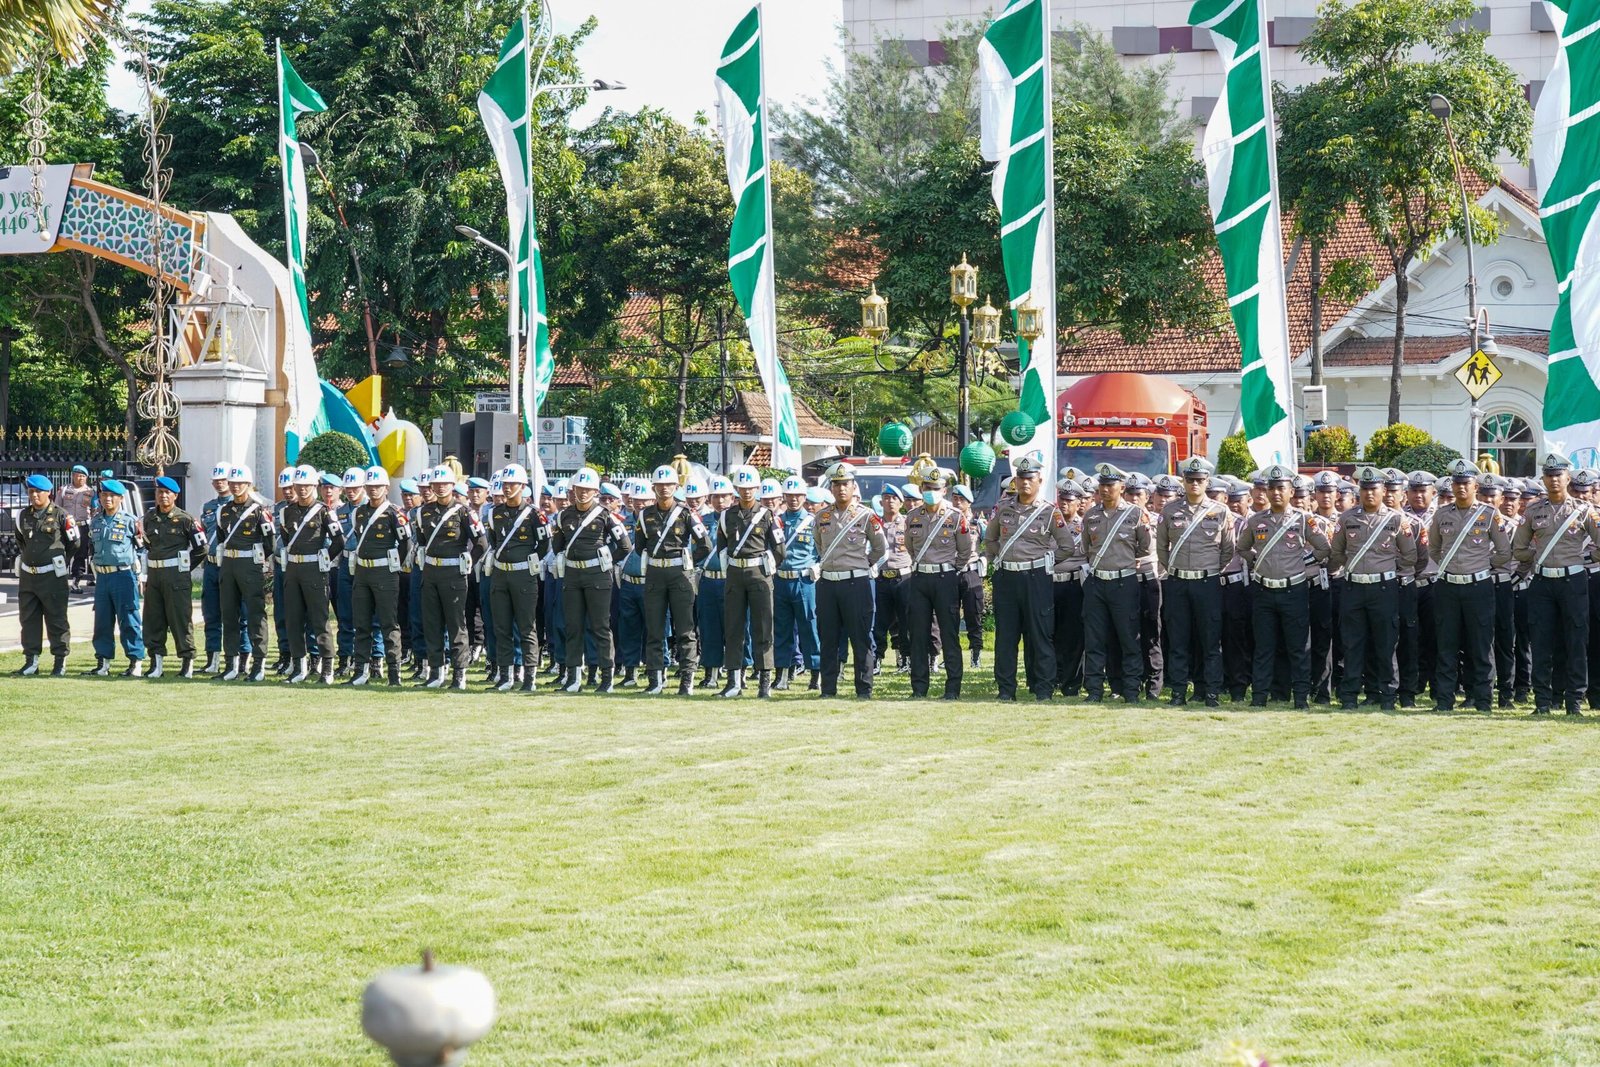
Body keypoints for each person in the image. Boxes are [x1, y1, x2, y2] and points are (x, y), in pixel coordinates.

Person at [1511, 453, 1600, 715]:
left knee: (1575, 641)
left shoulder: (1584, 511)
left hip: (1573, 581)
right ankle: (1543, 702)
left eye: (1558, 475)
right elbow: (1519, 547)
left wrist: (1586, 558)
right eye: (1549, 475)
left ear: (1567, 478)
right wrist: (1536, 557)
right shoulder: (1533, 511)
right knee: (1542, 642)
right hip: (1542, 583)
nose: (1553, 480)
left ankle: (1574, 702)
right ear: (1543, 479)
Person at [1241, 464, 1331, 708]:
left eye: (1281, 488)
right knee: (1264, 647)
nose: (1276, 493)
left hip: (1294, 590)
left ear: (1292, 491)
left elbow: (1324, 549)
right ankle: (1260, 697)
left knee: (1299, 647)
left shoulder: (1304, 520)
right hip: (1264, 591)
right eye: (1272, 488)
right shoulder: (1255, 521)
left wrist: (1302, 561)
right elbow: (1242, 548)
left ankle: (1301, 698)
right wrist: (1254, 560)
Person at [985, 456, 1074, 702]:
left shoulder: (1049, 511)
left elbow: (1067, 546)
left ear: (1039, 481)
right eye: (1021, 478)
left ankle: (1043, 689)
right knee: (1006, 636)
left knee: (1040, 635)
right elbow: (990, 539)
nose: (1025, 483)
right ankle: (1005, 689)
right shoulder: (1002, 508)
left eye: (1030, 479)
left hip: (1036, 577)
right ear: (1015, 480)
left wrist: (1046, 562)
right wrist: (995, 559)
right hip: (1007, 577)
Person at [1329, 465, 1416, 711]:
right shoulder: (1347, 518)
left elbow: (1409, 555)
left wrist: (1385, 567)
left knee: (1386, 643)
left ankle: (1388, 695)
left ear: (1383, 490)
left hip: (1384, 588)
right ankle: (1349, 696)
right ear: (1359, 490)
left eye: (1374, 489)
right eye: (1365, 489)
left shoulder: (1396, 518)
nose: (1369, 494)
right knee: (1352, 644)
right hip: (1354, 587)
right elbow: (1337, 552)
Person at [1428, 459, 1513, 712]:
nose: (1461, 488)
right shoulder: (1442, 514)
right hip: (1448, 586)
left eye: (1466, 483)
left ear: (1475, 485)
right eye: (1457, 483)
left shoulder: (1488, 514)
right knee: (1447, 646)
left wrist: (1482, 565)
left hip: (1479, 587)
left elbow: (1504, 551)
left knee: (1481, 646)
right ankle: (1444, 701)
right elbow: (1433, 548)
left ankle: (1483, 700)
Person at [1155, 456, 1235, 707]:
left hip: (1207, 583)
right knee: (1178, 640)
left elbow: (1228, 549)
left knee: (1210, 641)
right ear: (1184, 481)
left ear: (1207, 481)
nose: (1195, 485)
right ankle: (1178, 692)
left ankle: (1210, 691)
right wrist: (1176, 570)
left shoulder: (1221, 512)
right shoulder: (1170, 511)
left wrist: (1209, 570)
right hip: (1178, 582)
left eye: (1200, 480)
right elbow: (1161, 548)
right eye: (1190, 480)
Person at [553, 467, 632, 693]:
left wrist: (606, 561)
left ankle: (606, 677)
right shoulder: (563, 515)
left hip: (597, 576)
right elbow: (557, 546)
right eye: (580, 488)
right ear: (574, 489)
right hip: (572, 575)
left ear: (595, 491)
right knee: (573, 627)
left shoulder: (606, 515)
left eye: (588, 489)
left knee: (600, 627)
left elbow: (625, 546)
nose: (583, 493)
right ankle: (573, 677)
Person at [812, 463, 887, 698]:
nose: (841, 488)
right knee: (828, 637)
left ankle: (864, 688)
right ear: (831, 488)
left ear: (853, 487)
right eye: (836, 484)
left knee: (861, 637)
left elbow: (880, 548)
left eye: (845, 484)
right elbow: (819, 546)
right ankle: (828, 689)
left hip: (856, 582)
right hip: (828, 583)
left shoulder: (866, 516)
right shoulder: (821, 516)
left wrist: (862, 565)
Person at [638, 464, 713, 694]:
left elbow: (705, 544)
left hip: (680, 575)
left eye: (669, 484)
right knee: (654, 629)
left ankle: (686, 680)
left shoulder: (686, 514)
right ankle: (655, 680)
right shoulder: (645, 515)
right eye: (660, 485)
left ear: (676, 486)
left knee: (685, 629)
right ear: (653, 487)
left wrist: (689, 561)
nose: (664, 489)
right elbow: (640, 546)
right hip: (655, 574)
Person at [1080, 464, 1151, 703]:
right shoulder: (1091, 515)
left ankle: (1131, 690)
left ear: (1121, 487)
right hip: (1097, 582)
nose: (1106, 489)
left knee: (1129, 638)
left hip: (1124, 582)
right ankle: (1094, 691)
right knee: (1095, 639)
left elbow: (1144, 546)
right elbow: (1087, 547)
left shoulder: (1135, 514)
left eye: (1110, 485)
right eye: (1102, 485)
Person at [414, 466, 488, 690]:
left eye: (444, 484)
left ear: (452, 485)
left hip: (454, 573)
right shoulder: (423, 512)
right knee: (432, 623)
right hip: (431, 572)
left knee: (456, 625)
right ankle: (436, 672)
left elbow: (481, 544)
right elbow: (422, 542)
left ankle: (459, 674)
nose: (439, 487)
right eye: (436, 484)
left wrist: (467, 563)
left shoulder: (464, 511)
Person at [903, 468, 972, 700]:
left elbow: (965, 551)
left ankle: (952, 688)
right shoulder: (913, 516)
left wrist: (951, 570)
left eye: (935, 489)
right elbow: (911, 548)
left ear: (944, 491)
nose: (931, 492)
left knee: (949, 634)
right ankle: (919, 688)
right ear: (922, 489)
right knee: (918, 634)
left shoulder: (955, 517)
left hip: (945, 578)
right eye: (927, 489)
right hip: (921, 577)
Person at [718, 465, 785, 698]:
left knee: (763, 627)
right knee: (733, 628)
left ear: (757, 488)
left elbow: (779, 549)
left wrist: (766, 568)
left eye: (751, 488)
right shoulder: (727, 515)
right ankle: (733, 682)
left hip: (759, 574)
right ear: (736, 489)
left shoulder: (767, 516)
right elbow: (722, 546)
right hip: (735, 574)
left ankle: (764, 682)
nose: (746, 492)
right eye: (742, 488)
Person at [277, 465, 346, 684]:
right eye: (300, 485)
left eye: (307, 485)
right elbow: (286, 538)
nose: (303, 489)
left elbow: (339, 540)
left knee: (319, 619)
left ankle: (327, 668)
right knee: (294, 619)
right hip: (293, 569)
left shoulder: (324, 511)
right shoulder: (286, 511)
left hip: (315, 570)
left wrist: (324, 558)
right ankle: (299, 667)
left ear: (314, 486)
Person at [483, 463, 548, 693]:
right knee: (501, 626)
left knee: (526, 626)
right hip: (501, 573)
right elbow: (493, 540)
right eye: (505, 484)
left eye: (513, 484)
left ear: (523, 486)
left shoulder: (534, 514)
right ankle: (505, 675)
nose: (508, 488)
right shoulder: (494, 512)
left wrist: (529, 561)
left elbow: (544, 543)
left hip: (523, 575)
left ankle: (529, 675)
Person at [347, 466, 411, 687]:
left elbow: (405, 543)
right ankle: (361, 671)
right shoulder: (359, 512)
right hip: (363, 571)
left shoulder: (395, 513)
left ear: (386, 487)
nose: (373, 490)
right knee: (361, 623)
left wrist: (394, 565)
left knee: (388, 623)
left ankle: (394, 673)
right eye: (370, 486)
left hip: (385, 572)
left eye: (377, 486)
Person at [141, 476, 207, 679]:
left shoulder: (186, 519)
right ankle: (156, 663)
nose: (162, 496)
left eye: (167, 492)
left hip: (176, 578)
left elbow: (201, 548)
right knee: (153, 620)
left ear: (175, 495)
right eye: (159, 492)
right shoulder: (149, 517)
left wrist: (184, 568)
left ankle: (187, 662)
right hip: (154, 576)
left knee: (180, 620)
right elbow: (147, 545)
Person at [13, 473, 78, 677]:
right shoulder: (23, 515)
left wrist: (58, 560)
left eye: (38, 492)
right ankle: (31, 661)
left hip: (52, 577)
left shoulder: (61, 515)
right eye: (31, 492)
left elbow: (74, 543)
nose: (34, 496)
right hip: (29, 578)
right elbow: (21, 541)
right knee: (28, 619)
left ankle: (60, 662)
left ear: (48, 492)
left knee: (56, 619)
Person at [213, 465, 274, 681]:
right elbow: (221, 537)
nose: (236, 486)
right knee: (228, 614)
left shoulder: (259, 510)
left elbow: (270, 543)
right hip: (229, 563)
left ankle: (258, 664)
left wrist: (257, 561)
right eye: (232, 483)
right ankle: (231, 663)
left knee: (255, 614)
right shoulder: (224, 510)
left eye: (240, 483)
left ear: (248, 485)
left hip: (250, 564)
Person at [86, 478, 146, 677]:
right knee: (102, 621)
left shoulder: (130, 521)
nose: (108, 499)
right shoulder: (95, 521)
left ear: (121, 498)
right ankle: (103, 663)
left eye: (112, 496)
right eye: (104, 495)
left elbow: (142, 547)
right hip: (103, 577)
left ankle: (135, 662)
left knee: (129, 619)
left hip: (123, 575)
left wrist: (139, 574)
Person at [773, 476, 821, 691]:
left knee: (809, 627)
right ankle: (782, 674)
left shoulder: (814, 521)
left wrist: (818, 566)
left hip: (804, 580)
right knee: (782, 629)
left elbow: (824, 549)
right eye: (790, 495)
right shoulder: (776, 520)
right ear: (784, 496)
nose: (793, 499)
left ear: (804, 496)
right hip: (781, 579)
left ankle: (816, 674)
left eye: (798, 495)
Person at [198, 462, 246, 674]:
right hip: (211, 565)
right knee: (211, 613)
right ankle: (213, 658)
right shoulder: (208, 507)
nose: (219, 484)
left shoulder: (242, 506)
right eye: (216, 481)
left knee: (239, 614)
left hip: (232, 563)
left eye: (223, 480)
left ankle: (242, 659)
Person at [1052, 472, 1089, 698]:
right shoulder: (1048, 523)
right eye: (1062, 500)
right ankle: (1052, 678)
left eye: (1070, 501)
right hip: (1050, 583)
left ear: (1079, 503)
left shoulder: (1085, 527)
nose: (1065, 505)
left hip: (1075, 585)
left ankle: (1071, 682)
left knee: (1073, 636)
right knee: (1049, 634)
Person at [873, 486, 912, 674]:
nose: (890, 501)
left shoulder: (908, 523)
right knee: (879, 622)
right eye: (886, 498)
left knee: (905, 621)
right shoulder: (874, 524)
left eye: (894, 498)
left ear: (901, 502)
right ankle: (876, 660)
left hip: (903, 577)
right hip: (881, 578)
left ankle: (905, 659)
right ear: (881, 502)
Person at [952, 485, 986, 669]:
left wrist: (985, 559)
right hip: (951, 572)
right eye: (955, 498)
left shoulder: (978, 523)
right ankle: (951, 655)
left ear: (969, 502)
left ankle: (976, 653)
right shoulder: (947, 520)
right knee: (949, 616)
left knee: (974, 614)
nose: (957, 502)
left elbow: (990, 543)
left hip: (971, 571)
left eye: (961, 500)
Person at [53, 465, 95, 591]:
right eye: (78, 475)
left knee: (81, 554)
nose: (80, 478)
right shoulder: (64, 490)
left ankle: (76, 581)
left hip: (82, 527)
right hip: (66, 527)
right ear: (73, 475)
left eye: (83, 476)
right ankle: (58, 579)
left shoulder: (91, 492)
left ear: (86, 477)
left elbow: (95, 510)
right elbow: (56, 507)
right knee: (62, 553)